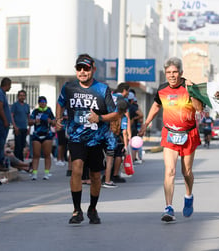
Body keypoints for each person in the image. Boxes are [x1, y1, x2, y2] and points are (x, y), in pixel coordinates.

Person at [138, 57, 204, 223]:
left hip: (188, 134)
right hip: (170, 134)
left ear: (181, 73)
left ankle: (189, 195)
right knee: (170, 171)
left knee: (186, 172)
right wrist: (146, 123)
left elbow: (199, 108)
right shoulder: (162, 89)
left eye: (175, 72)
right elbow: (156, 106)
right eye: (168, 72)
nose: (172, 75)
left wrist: (192, 91)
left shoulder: (190, 86)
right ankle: (168, 207)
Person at [56, 53, 119, 225]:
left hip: (96, 139)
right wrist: (58, 118)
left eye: (86, 68)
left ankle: (92, 208)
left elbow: (115, 113)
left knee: (95, 176)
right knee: (76, 169)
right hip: (76, 137)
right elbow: (60, 102)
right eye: (79, 68)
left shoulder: (102, 89)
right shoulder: (68, 87)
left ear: (93, 69)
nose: (83, 72)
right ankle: (77, 210)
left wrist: (100, 118)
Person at [29, 96, 56, 180]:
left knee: (47, 154)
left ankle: (46, 173)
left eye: (44, 102)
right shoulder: (35, 111)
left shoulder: (49, 111)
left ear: (46, 103)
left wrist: (50, 121)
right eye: (41, 102)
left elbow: (54, 123)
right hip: (37, 135)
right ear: (39, 103)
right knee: (36, 155)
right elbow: (29, 122)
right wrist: (34, 121)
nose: (42, 103)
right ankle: (34, 173)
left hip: (47, 135)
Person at [11, 90, 30, 162]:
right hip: (17, 128)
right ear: (18, 96)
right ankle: (16, 162)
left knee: (22, 146)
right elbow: (11, 116)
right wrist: (15, 126)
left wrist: (29, 127)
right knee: (18, 146)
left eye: (23, 95)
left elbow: (28, 117)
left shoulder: (27, 106)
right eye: (20, 95)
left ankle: (21, 161)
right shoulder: (15, 105)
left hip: (24, 128)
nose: (22, 97)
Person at [128, 91, 144, 164]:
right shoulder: (133, 107)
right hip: (132, 128)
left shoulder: (123, 105)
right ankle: (132, 160)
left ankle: (128, 160)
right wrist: (134, 119)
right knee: (133, 145)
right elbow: (141, 115)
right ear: (132, 100)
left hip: (124, 128)